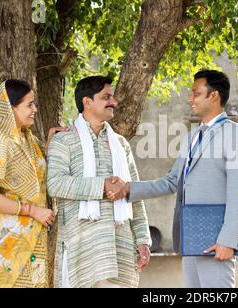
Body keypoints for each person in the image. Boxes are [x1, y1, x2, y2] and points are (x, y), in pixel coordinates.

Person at [111, 70, 238, 288]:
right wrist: (128, 188)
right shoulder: (193, 136)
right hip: (190, 237)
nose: (190, 99)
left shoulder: (235, 134)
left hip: (217, 239)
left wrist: (228, 240)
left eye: (196, 94)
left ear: (214, 96)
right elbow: (172, 181)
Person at [47, 76, 151, 288]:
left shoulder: (120, 144)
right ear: (87, 102)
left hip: (119, 246)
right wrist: (102, 186)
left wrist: (142, 239)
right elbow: (55, 184)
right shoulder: (64, 140)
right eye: (106, 97)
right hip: (82, 246)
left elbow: (134, 193)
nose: (113, 102)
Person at [0, 80, 67, 288]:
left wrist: (50, 146)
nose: (35, 109)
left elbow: (35, 178)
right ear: (10, 108)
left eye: (34, 104)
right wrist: (32, 211)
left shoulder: (28, 139)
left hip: (33, 239)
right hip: (8, 242)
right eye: (29, 105)